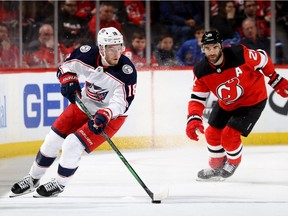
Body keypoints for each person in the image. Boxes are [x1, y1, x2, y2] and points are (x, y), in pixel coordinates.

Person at [10, 27, 137, 198]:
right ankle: (33, 179)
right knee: (52, 141)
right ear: (101, 48)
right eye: (111, 48)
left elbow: (122, 103)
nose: (117, 53)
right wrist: (68, 80)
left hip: (112, 117)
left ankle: (60, 183)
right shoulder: (86, 55)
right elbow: (64, 68)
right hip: (85, 104)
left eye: (119, 47)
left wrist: (105, 114)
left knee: (72, 144)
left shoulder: (126, 71)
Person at [185, 30, 288, 181]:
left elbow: (263, 58)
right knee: (211, 134)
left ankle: (233, 162)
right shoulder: (201, 70)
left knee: (229, 136)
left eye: (214, 47)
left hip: (252, 102)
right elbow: (197, 98)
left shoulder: (240, 54)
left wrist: (274, 77)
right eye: (207, 48)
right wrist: (193, 118)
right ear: (203, 49)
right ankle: (216, 166)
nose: (211, 52)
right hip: (227, 104)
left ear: (221, 46)